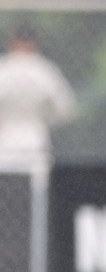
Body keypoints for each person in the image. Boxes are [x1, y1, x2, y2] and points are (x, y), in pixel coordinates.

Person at [0, 24, 75, 167]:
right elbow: (65, 109)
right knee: (36, 186)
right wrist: (45, 120)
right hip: (35, 137)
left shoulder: (3, 69)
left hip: (5, 138)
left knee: (5, 185)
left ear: (11, 43)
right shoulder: (44, 70)